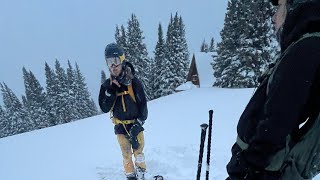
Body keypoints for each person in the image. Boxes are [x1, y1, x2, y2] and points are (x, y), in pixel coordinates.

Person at [226, 0, 320, 179]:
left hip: (265, 171)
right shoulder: (307, 47)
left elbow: (280, 116)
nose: (274, 17)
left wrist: (251, 164)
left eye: (279, 7)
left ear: (294, 7)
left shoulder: (307, 48)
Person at [99, 43, 148, 180]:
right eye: (109, 62)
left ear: (122, 60)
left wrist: (138, 124)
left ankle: (141, 172)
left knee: (138, 151)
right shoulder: (106, 86)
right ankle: (131, 176)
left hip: (135, 124)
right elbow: (104, 108)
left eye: (115, 61)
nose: (113, 66)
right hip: (120, 126)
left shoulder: (134, 83)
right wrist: (111, 92)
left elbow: (143, 105)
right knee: (126, 153)